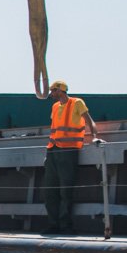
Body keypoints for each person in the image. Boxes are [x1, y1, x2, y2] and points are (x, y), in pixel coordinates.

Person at [42, 79, 101, 234]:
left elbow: (89, 121)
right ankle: (53, 224)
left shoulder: (77, 103)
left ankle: (65, 225)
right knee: (50, 190)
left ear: (61, 90)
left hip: (68, 151)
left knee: (65, 190)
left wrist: (94, 136)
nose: (51, 93)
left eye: (53, 90)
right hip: (53, 151)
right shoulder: (55, 107)